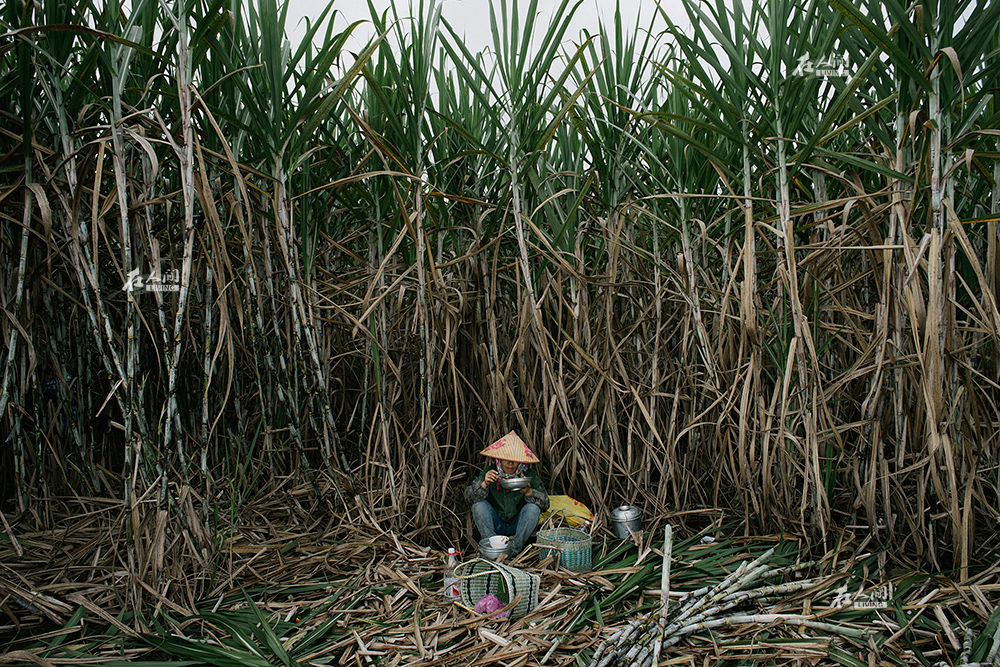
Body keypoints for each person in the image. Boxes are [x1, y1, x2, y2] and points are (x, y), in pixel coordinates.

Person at [465, 431, 549, 557]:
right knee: (478, 506)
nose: (510, 464)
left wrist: (529, 492)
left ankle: (514, 550)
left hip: (517, 525)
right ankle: (493, 548)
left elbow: (546, 503)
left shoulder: (529, 475)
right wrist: (484, 484)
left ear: (520, 461)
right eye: (506, 459)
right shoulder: (490, 472)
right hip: (496, 522)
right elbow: (468, 498)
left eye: (514, 460)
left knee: (533, 509)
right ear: (499, 459)